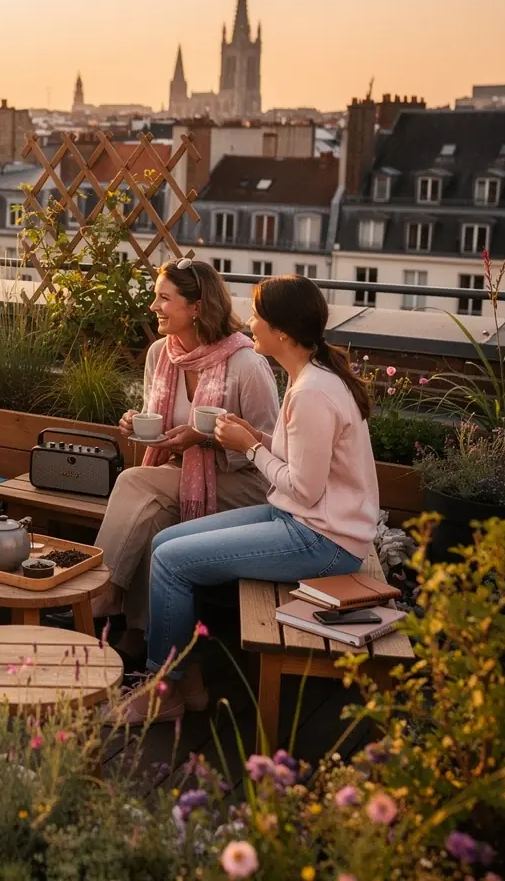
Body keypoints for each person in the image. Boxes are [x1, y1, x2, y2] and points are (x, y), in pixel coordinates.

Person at [121, 274, 378, 724]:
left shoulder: (314, 392)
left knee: (171, 562)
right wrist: (251, 434)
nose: (250, 323)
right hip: (301, 521)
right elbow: (298, 463)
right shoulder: (310, 380)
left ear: (281, 331)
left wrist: (249, 447)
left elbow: (304, 489)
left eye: (258, 316)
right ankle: (188, 678)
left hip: (324, 541)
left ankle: (166, 687)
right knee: (166, 545)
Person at [92, 259, 279, 657]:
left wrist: (205, 440)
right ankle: (141, 634)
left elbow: (273, 448)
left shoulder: (246, 364)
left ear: (196, 307)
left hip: (246, 486)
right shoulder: (162, 353)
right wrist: (134, 424)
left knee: (133, 482)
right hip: (180, 478)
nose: (153, 306)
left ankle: (101, 593)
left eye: (164, 298)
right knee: (154, 515)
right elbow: (156, 419)